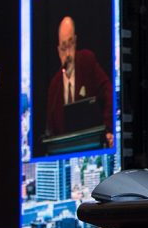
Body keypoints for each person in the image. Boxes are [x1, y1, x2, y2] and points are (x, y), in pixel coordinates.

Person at [45, 16, 114, 148]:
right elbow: (51, 129)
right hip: (67, 149)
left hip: (93, 143)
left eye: (70, 44)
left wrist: (107, 130)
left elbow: (109, 93)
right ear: (58, 51)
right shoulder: (54, 86)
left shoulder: (87, 61)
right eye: (64, 47)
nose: (68, 54)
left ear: (76, 42)